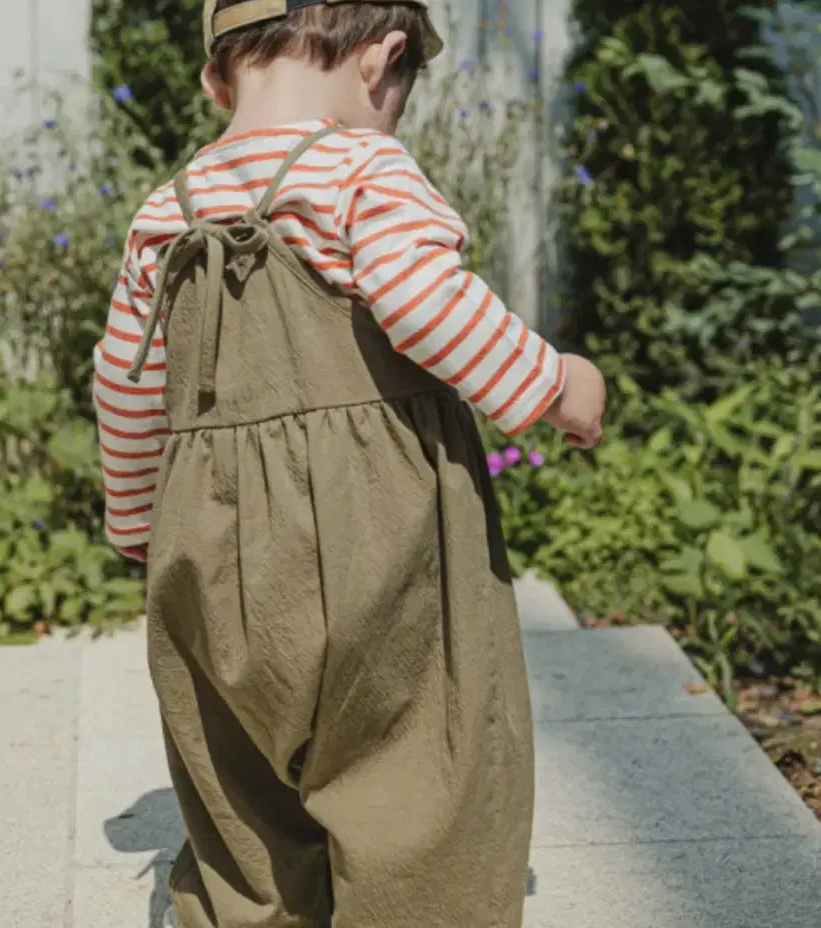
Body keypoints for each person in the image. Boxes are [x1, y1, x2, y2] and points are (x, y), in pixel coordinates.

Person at [92, 2, 606, 926]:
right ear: (384, 61)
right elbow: (423, 304)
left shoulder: (164, 212)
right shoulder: (364, 169)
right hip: (381, 537)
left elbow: (125, 387)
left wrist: (135, 521)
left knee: (238, 781)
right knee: (419, 761)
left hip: (208, 553)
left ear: (217, 79)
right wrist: (554, 385)